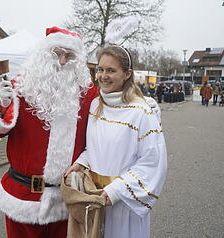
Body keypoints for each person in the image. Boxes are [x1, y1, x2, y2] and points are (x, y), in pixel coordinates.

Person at [0, 27, 98, 238]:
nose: (63, 61)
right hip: (22, 199)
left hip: (67, 200)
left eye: (69, 55)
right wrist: (2, 105)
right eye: (57, 53)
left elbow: (108, 129)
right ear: (44, 53)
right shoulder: (19, 87)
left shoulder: (89, 94)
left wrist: (141, 107)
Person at [65, 45, 167, 238]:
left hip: (122, 202)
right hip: (94, 197)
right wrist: (81, 162)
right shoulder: (96, 105)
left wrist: (117, 191)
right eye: (100, 70)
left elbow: (152, 162)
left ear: (127, 73)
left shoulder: (141, 112)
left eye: (111, 70)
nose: (103, 76)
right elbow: (95, 147)